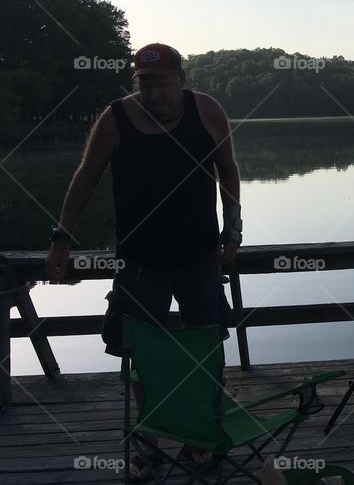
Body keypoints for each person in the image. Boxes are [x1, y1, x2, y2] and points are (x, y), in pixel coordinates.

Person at [45, 43, 242, 482]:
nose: (154, 91)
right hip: (139, 260)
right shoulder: (115, 119)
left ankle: (200, 438)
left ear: (182, 79)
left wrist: (234, 232)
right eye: (145, 82)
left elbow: (229, 173)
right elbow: (86, 176)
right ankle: (147, 442)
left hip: (199, 256)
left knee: (206, 348)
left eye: (162, 81)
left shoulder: (208, 112)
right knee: (140, 353)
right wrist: (61, 238)